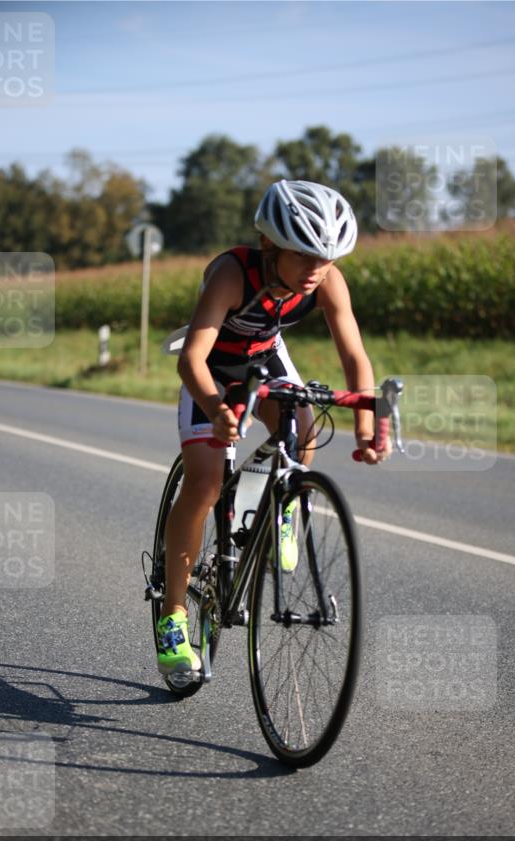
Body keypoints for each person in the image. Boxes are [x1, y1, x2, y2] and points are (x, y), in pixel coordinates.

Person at [156, 178, 390, 682]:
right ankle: (173, 617)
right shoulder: (230, 273)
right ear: (269, 245)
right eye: (304, 255)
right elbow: (192, 359)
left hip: (265, 358)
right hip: (213, 372)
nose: (316, 270)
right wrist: (218, 408)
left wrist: (366, 427)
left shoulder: (328, 280)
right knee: (205, 483)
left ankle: (278, 503)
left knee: (303, 428)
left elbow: (355, 356)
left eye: (326, 258)